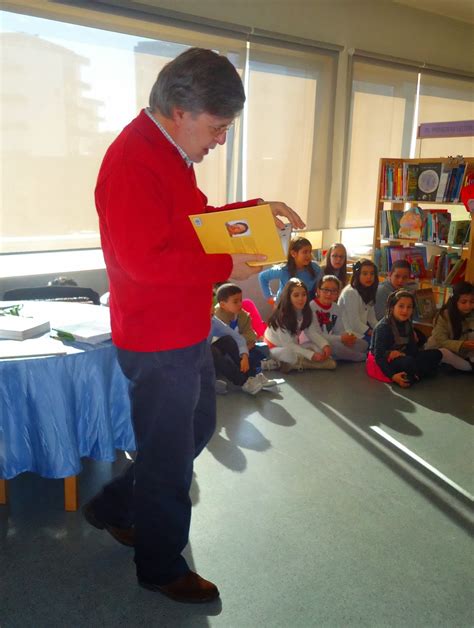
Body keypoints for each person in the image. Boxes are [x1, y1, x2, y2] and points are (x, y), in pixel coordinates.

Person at [89, 47, 304, 604]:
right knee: (167, 456)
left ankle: (114, 506)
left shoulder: (169, 153)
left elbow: (195, 224)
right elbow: (143, 261)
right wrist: (222, 267)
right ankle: (160, 565)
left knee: (196, 429)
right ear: (180, 110)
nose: (221, 140)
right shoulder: (133, 161)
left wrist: (257, 209)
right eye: (218, 127)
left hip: (184, 326)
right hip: (155, 335)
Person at [368, 290, 443, 387]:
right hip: (386, 360)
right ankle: (417, 374)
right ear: (392, 307)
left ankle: (415, 374)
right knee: (409, 362)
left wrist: (403, 353)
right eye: (401, 306)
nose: (405, 311)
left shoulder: (408, 324)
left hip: (403, 355)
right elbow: (379, 357)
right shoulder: (383, 327)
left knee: (437, 354)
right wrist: (393, 376)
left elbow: (413, 350)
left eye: (409, 307)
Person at [264, 278, 336, 373]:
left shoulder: (306, 312)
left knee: (318, 348)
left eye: (304, 295)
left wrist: (325, 345)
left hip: (295, 346)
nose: (301, 299)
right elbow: (288, 345)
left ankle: (298, 364)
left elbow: (311, 332)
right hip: (276, 349)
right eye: (296, 295)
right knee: (288, 354)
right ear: (288, 297)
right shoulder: (281, 317)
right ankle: (306, 364)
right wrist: (310, 355)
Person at [214, 283, 276, 389]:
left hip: (241, 346)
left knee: (254, 352)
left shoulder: (242, 315)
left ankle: (256, 375)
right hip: (224, 348)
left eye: (240, 300)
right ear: (223, 305)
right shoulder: (218, 316)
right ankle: (247, 379)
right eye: (235, 302)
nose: (240, 304)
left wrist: (247, 344)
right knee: (234, 352)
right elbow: (223, 337)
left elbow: (250, 333)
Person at [208, 313, 276, 394]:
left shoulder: (212, 320)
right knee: (211, 350)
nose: (212, 309)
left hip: (205, 358)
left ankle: (253, 375)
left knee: (228, 340)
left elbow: (236, 337)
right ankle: (243, 382)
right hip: (194, 364)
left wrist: (244, 356)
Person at [310, 275, 367, 362]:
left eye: (334, 291)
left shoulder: (336, 307)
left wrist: (347, 338)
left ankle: (338, 356)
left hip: (333, 339)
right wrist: (341, 338)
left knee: (363, 344)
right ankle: (361, 357)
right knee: (336, 346)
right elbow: (317, 335)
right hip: (317, 342)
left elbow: (339, 330)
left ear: (338, 293)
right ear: (318, 291)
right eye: (325, 290)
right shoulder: (311, 307)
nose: (329, 294)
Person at [425, 281, 474, 372]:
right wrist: (462, 344)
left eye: (472, 302)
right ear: (454, 301)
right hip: (440, 349)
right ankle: (467, 366)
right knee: (444, 353)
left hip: (463, 352)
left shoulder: (471, 314)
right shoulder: (443, 315)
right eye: (464, 302)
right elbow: (441, 340)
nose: (468, 306)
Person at [258, 236, 322, 305]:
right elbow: (262, 276)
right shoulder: (283, 270)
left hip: (305, 306)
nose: (309, 255)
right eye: (305, 252)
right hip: (285, 306)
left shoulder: (315, 268)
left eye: (310, 252)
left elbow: (321, 286)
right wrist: (269, 298)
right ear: (293, 253)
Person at [338, 259, 378, 349]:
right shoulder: (351, 292)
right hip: (349, 332)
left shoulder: (368, 291)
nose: (369, 277)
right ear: (357, 275)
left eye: (372, 274)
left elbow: (371, 319)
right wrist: (372, 332)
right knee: (377, 345)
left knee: (385, 339)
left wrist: (381, 329)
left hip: (360, 331)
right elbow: (354, 323)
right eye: (365, 274)